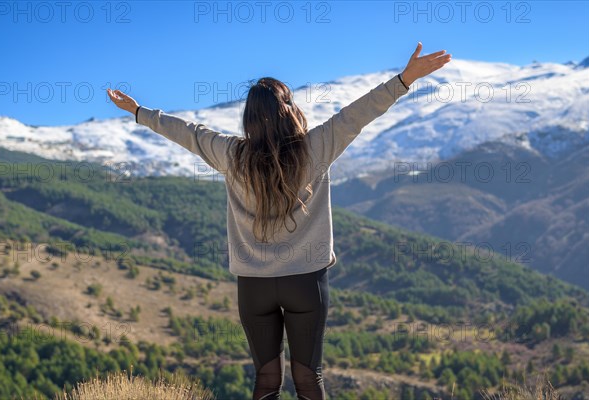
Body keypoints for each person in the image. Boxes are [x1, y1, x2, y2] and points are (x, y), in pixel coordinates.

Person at [108, 42, 451, 400]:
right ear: (289, 109)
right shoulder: (317, 146)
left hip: (253, 286)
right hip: (306, 282)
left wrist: (138, 111)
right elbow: (360, 113)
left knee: (267, 380)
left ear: (249, 119)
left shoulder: (231, 155)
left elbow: (187, 132)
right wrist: (405, 78)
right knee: (308, 379)